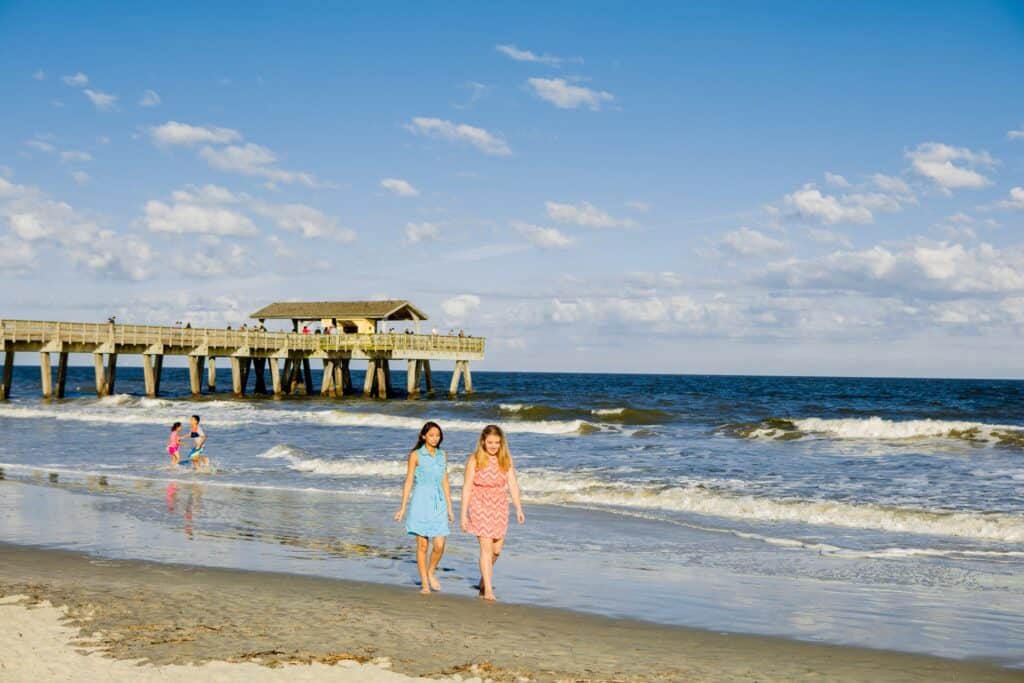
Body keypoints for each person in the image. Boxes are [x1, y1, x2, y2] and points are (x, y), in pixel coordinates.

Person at [461, 425, 524, 601]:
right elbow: (466, 488)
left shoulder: (506, 459)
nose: (494, 446)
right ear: (483, 441)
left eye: (497, 442)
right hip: (479, 504)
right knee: (486, 548)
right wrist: (463, 514)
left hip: (500, 505)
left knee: (497, 550)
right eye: (490, 442)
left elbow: (512, 484)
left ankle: (484, 577)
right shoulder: (474, 459)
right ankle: (488, 590)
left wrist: (518, 508)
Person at [394, 421, 454, 594]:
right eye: (432, 435)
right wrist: (402, 507)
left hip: (438, 502)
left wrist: (450, 507)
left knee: (440, 544)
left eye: (438, 435)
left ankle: (430, 571)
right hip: (420, 501)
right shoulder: (415, 455)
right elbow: (409, 481)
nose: (435, 438)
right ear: (423, 436)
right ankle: (425, 584)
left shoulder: (443, 455)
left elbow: (445, 481)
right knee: (422, 545)